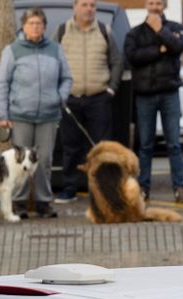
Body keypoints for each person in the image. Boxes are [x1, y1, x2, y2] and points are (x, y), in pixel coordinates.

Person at [0, 9, 72, 219]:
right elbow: (2, 84)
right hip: (20, 115)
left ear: (45, 26)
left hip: (48, 116)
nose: (36, 27)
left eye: (39, 23)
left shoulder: (55, 50)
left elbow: (67, 78)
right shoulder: (12, 51)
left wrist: (60, 96)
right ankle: (19, 203)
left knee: (44, 160)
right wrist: (2, 114)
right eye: (31, 23)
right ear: (24, 26)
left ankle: (43, 202)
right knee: (20, 162)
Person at [54, 0, 121, 204]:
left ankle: (103, 189)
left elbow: (117, 61)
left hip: (98, 98)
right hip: (70, 99)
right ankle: (69, 188)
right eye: (84, 4)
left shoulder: (104, 30)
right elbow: (52, 61)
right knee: (71, 146)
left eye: (92, 5)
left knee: (102, 147)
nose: (89, 9)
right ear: (74, 7)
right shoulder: (62, 31)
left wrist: (111, 88)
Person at [125, 0, 183, 203]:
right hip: (145, 95)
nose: (155, 6)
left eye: (159, 3)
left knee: (174, 144)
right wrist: (159, 50)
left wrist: (160, 29)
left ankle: (179, 187)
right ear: (146, 5)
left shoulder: (175, 28)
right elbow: (133, 57)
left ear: (164, 6)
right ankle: (144, 188)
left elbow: (178, 46)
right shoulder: (135, 33)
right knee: (145, 145)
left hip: (170, 93)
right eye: (151, 2)